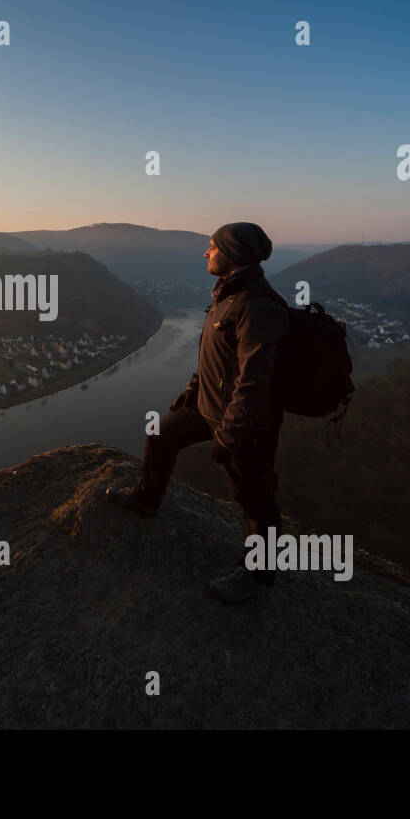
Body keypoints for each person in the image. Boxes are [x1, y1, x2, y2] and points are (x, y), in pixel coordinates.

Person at [105, 221, 290, 602]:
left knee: (254, 497)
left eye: (211, 247)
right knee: (160, 433)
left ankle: (257, 577)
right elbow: (214, 357)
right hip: (209, 407)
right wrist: (192, 390)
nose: (205, 253)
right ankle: (145, 498)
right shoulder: (228, 295)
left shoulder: (259, 305)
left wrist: (231, 434)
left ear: (232, 253)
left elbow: (254, 382)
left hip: (245, 423)